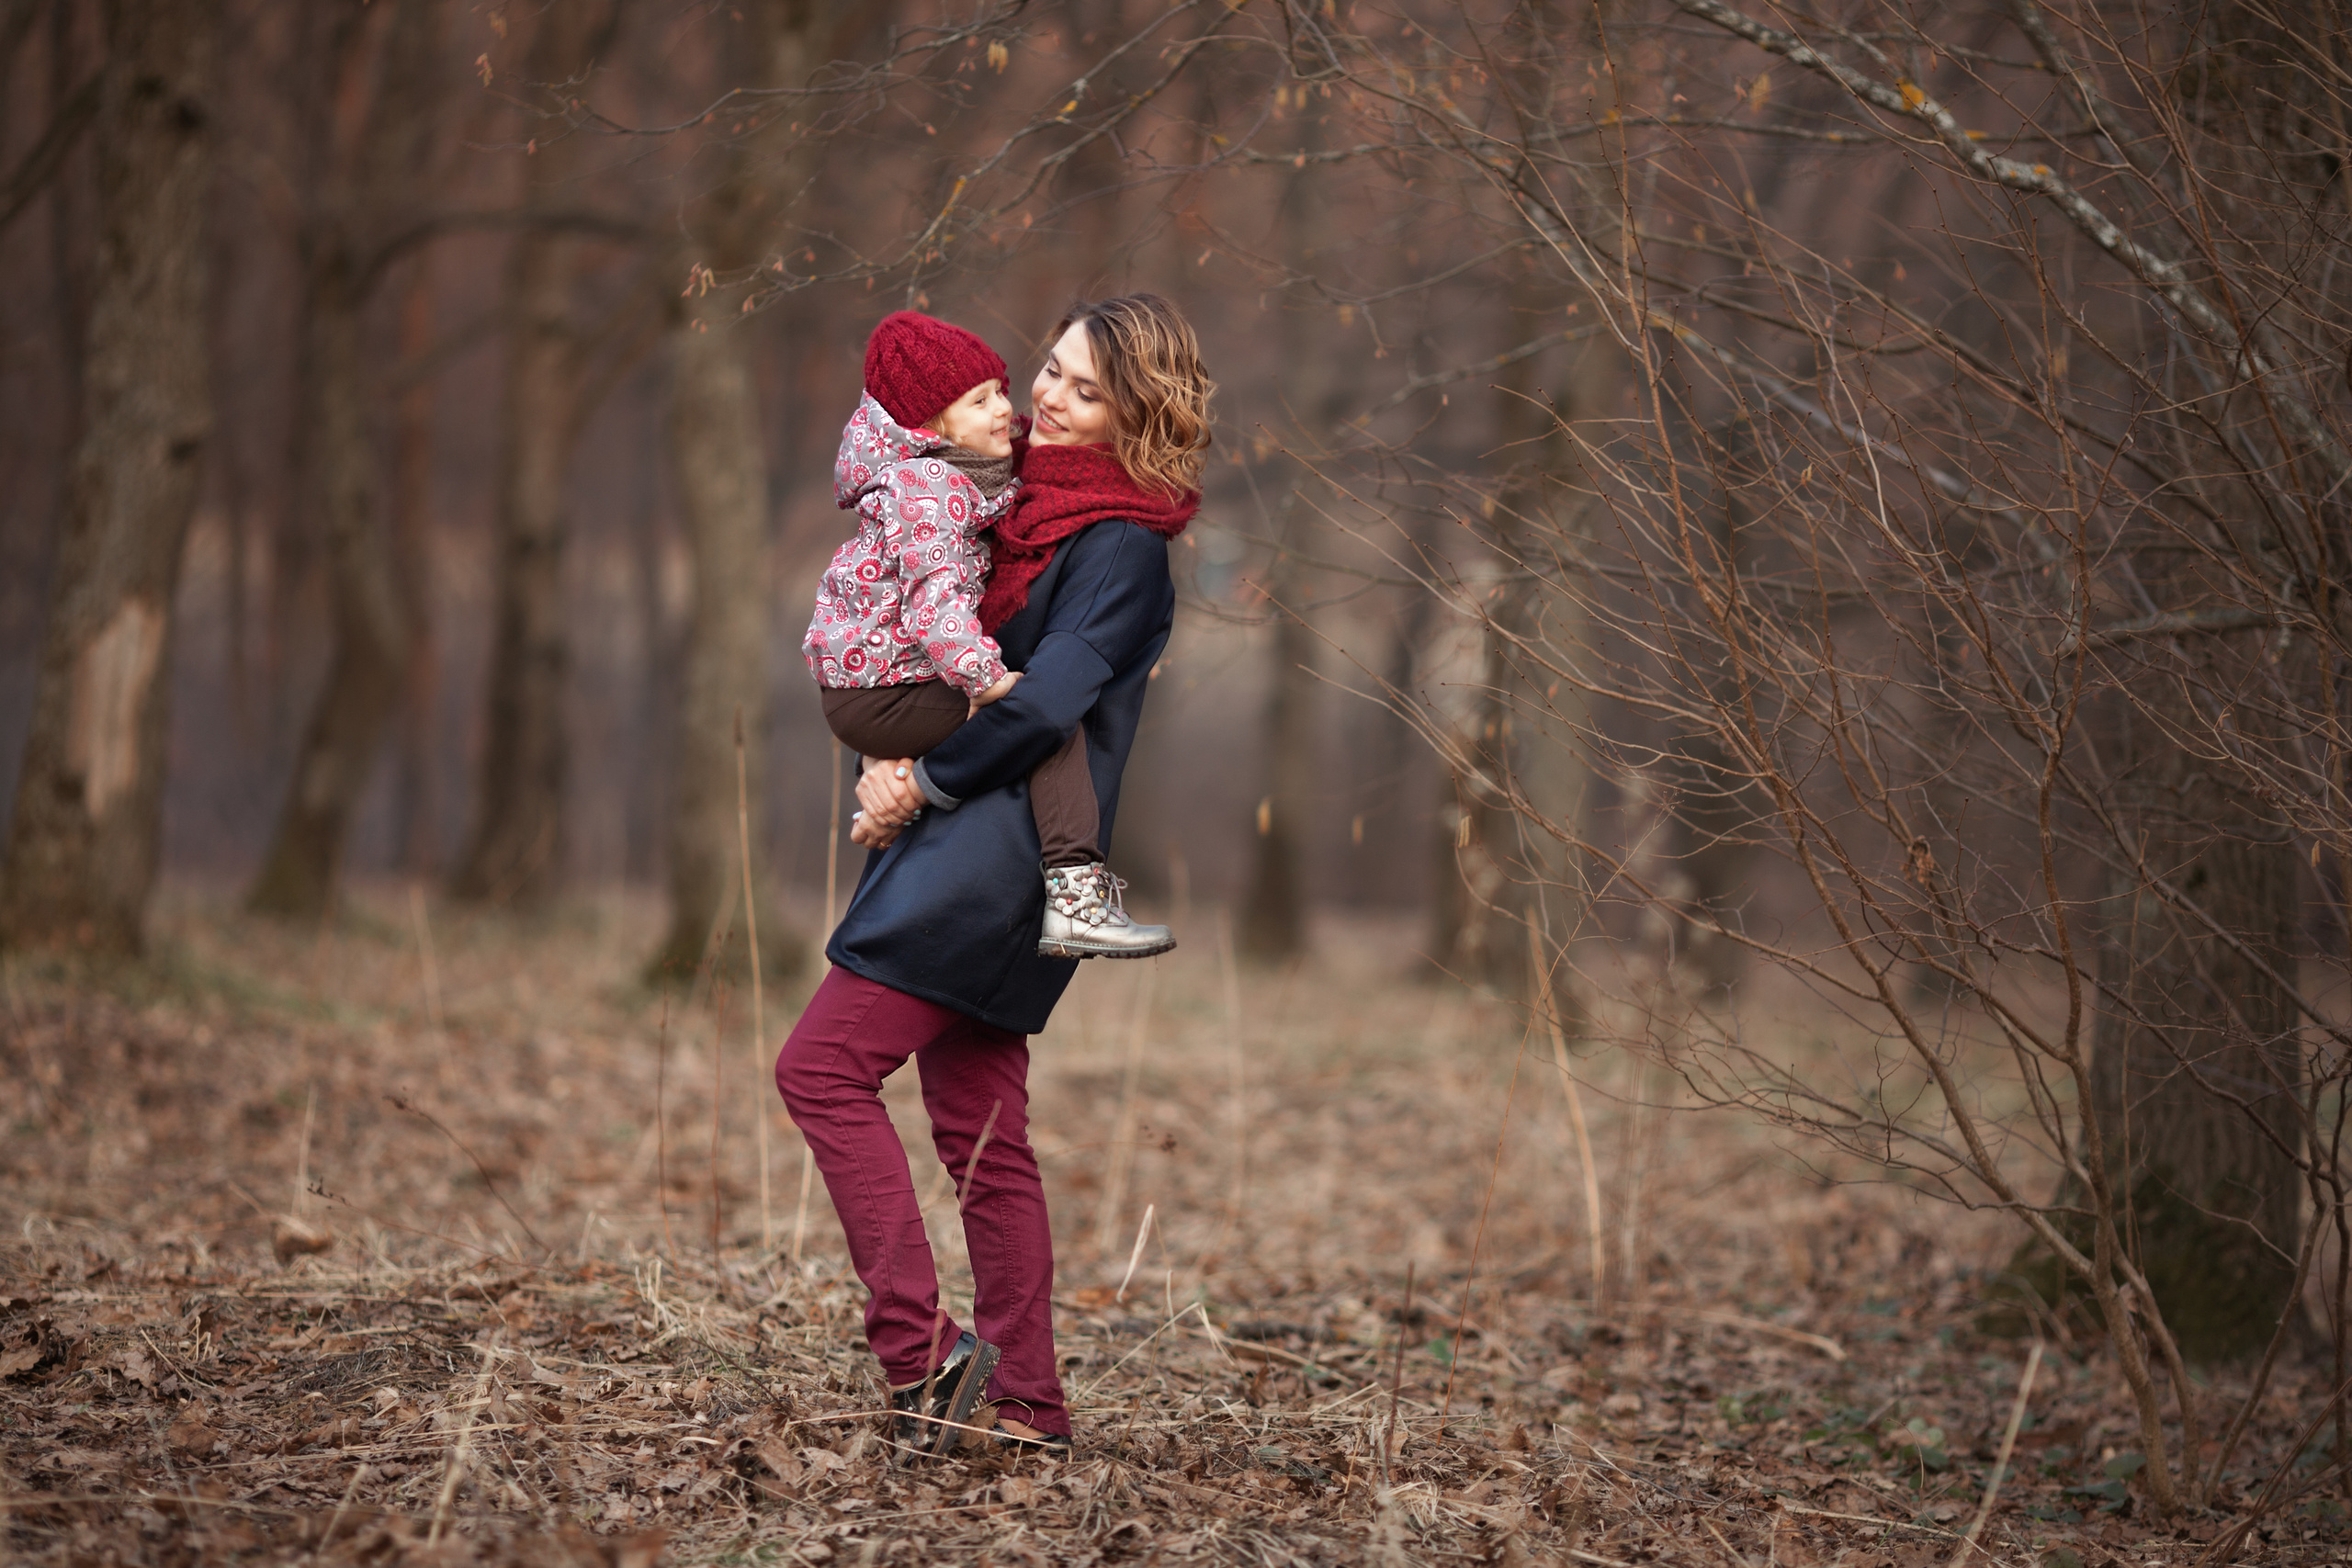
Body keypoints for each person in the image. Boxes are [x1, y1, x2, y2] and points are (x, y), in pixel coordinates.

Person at [776, 295, 1212, 1458]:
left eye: (1079, 386)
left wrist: (921, 784)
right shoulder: (1024, 516)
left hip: (998, 864)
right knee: (981, 1134)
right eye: (1049, 371)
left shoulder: (1122, 545)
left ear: (1134, 410)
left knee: (820, 1072)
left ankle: (924, 1358)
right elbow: (942, 647)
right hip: (972, 848)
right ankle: (1027, 1409)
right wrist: (892, 758)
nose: (1045, 398)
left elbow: (1047, 702)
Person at [804, 310, 1169, 960]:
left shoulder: (1001, 488)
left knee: (978, 1064)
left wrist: (898, 777)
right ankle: (1077, 898)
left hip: (945, 805)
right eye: (1053, 370)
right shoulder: (939, 490)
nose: (1032, 402)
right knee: (1030, 707)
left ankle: (1073, 896)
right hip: (921, 789)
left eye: (1087, 392)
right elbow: (934, 611)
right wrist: (983, 682)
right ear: (932, 428)